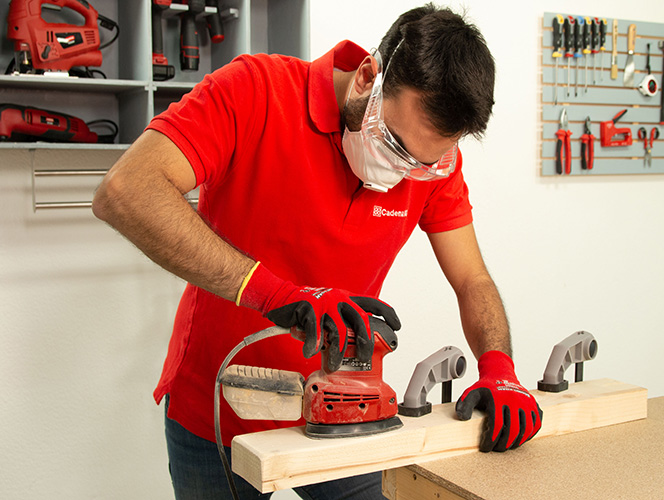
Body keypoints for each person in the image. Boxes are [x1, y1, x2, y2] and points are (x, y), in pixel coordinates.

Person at [93, 3, 542, 499]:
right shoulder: (256, 90)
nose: (401, 171)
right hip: (221, 408)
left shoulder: (430, 165)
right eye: (393, 144)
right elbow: (126, 190)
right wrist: (276, 295)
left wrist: (499, 368)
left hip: (345, 407)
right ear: (368, 76)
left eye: (422, 162)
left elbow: (471, 279)